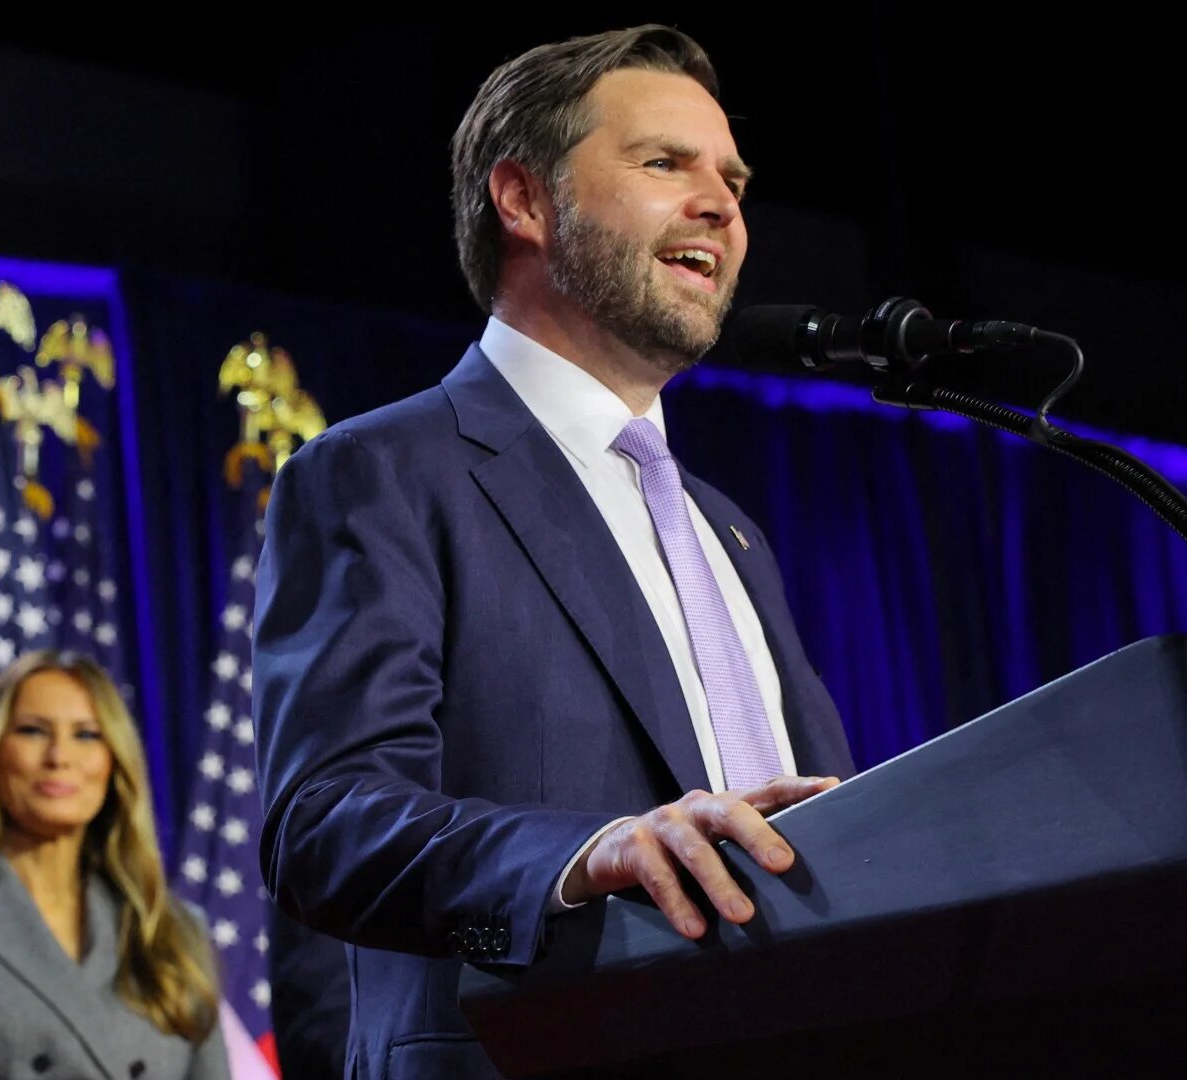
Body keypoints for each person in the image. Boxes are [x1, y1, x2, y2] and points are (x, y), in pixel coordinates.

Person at [252, 25, 857, 1079]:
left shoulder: (732, 534)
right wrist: (583, 858)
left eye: (734, 178)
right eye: (666, 163)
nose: (722, 204)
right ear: (524, 200)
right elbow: (327, 822)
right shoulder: (383, 472)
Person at [0, 650, 230, 1080]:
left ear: (114, 762)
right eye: (33, 731)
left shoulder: (175, 929)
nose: (59, 756)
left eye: (87, 735)